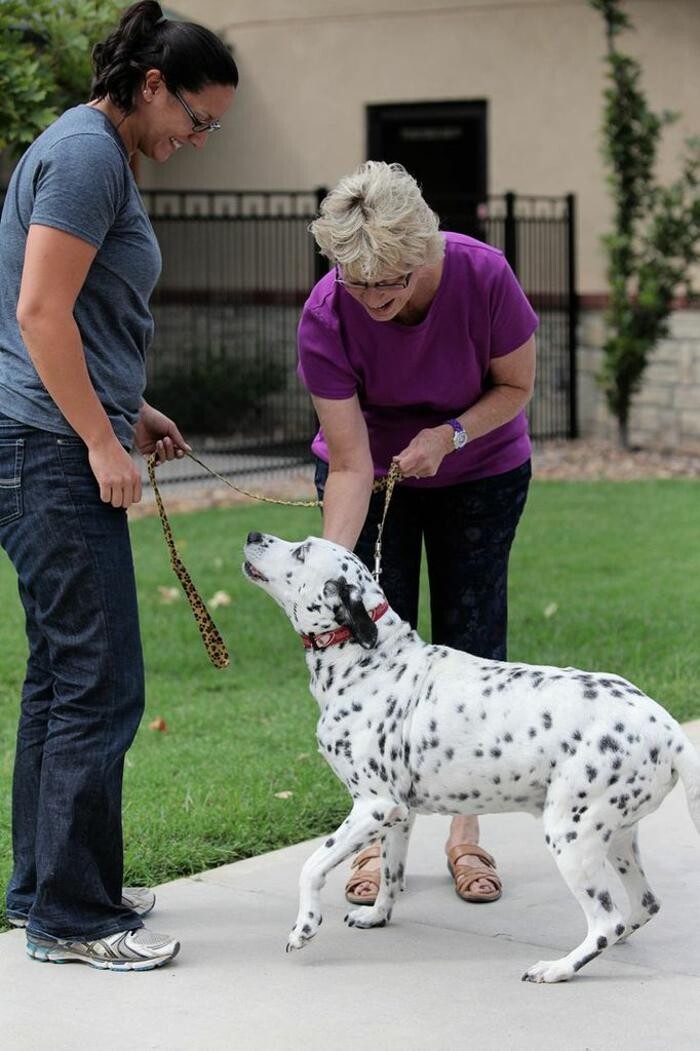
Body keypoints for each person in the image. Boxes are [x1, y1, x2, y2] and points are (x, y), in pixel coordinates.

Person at [0, 1, 237, 970]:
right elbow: (38, 310)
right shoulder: (88, 156)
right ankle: (75, 917)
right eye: (196, 117)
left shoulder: (89, 149)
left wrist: (127, 408)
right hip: (50, 449)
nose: (199, 136)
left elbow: (70, 314)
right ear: (150, 84)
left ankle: (46, 888)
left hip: (50, 434)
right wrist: (100, 440)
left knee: (64, 676)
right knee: (100, 681)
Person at [297, 161, 537, 907]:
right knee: (373, 656)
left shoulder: (483, 275)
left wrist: (450, 434)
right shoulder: (327, 312)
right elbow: (349, 462)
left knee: (473, 643)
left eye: (388, 283)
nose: (371, 300)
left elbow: (517, 386)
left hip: (481, 466)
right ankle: (375, 834)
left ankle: (465, 830)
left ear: (421, 252)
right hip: (372, 473)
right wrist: (330, 570)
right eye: (356, 282)